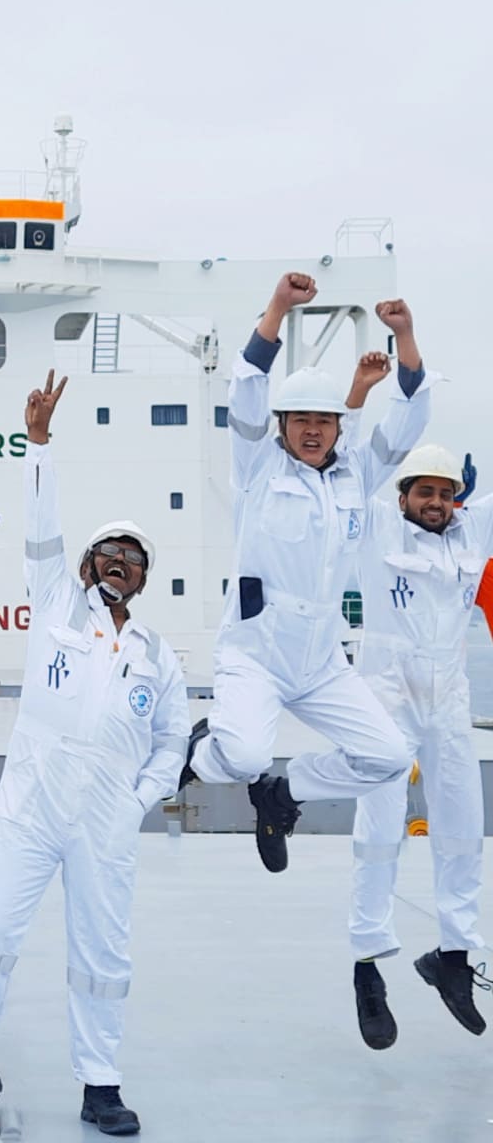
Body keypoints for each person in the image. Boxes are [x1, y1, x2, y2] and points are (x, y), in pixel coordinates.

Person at [0, 372, 191, 1138]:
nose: (120, 562)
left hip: (105, 821)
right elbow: (42, 526)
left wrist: (137, 798)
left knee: (102, 958)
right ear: (88, 564)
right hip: (30, 808)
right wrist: (40, 444)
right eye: (109, 552)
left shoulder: (157, 653)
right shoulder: (54, 600)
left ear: (144, 578)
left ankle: (101, 1085)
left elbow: (173, 738)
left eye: (134, 557)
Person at [186, 274, 433, 873]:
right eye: (300, 419)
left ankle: (284, 795)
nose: (314, 430)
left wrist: (404, 334)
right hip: (257, 654)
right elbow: (246, 382)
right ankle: (194, 753)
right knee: (241, 756)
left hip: (322, 662)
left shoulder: (356, 475)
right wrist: (276, 306)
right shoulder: (255, 467)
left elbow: (406, 421)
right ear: (282, 424)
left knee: (389, 760)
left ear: (338, 426)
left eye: (324, 420)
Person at [342, 441, 493, 1047]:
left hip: (448, 702)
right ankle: (367, 964)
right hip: (387, 696)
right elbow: (358, 471)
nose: (436, 502)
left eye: (446, 493)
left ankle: (453, 955)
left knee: (463, 829)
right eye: (423, 491)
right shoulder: (379, 532)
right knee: (378, 832)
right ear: (402, 496)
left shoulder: (470, 536)